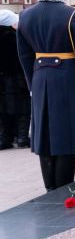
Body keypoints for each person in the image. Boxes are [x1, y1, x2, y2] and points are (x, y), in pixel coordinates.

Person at [16, 0, 75, 191]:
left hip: (40, 78)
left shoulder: (25, 15)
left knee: (44, 136)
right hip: (69, 80)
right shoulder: (73, 14)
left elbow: (24, 54)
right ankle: (63, 189)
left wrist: (32, 82)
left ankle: (49, 190)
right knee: (67, 134)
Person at [0, 10, 30, 149]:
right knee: (22, 109)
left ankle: (4, 139)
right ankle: (22, 138)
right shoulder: (16, 37)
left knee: (2, 111)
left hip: (2, 80)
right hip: (17, 79)